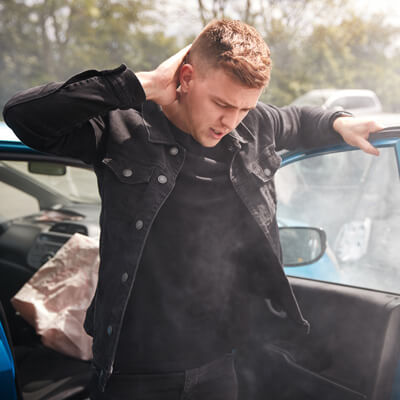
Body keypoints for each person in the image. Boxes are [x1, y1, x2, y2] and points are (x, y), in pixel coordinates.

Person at [3, 19, 383, 400]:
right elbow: (24, 116)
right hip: (135, 369)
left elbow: (298, 119)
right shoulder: (125, 128)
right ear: (186, 76)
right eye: (221, 104)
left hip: (220, 362)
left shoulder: (254, 126)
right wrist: (142, 85)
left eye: (243, 108)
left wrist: (339, 121)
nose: (230, 121)